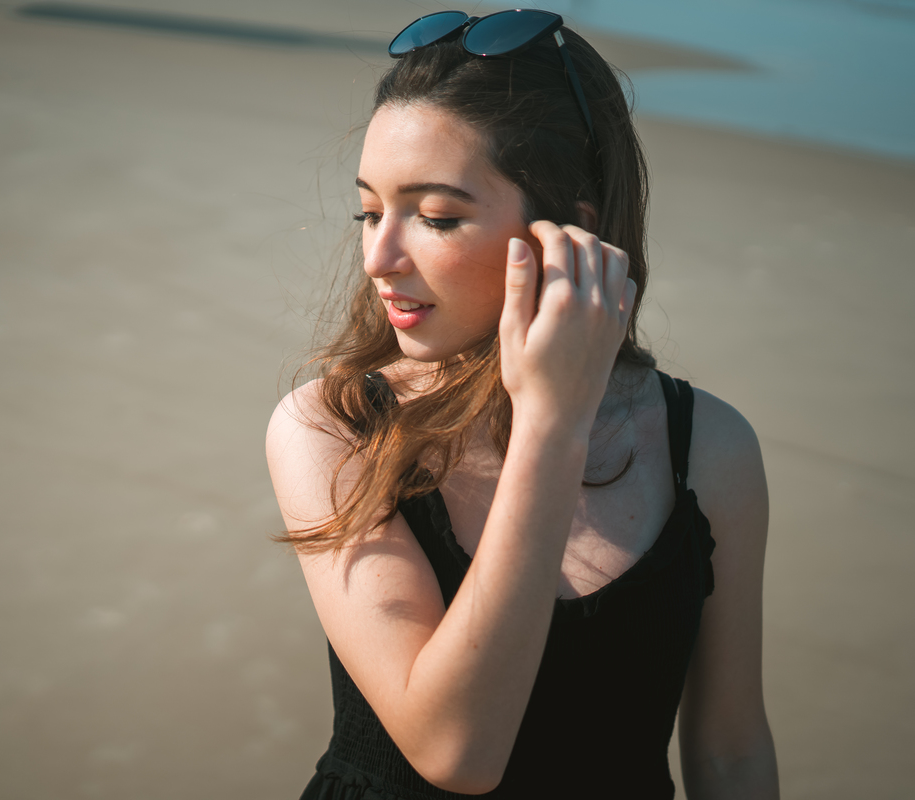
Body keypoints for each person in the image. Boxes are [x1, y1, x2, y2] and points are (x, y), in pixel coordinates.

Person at [266, 10, 779, 799]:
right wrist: (550, 427)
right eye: (369, 211)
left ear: (567, 235)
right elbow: (456, 751)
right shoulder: (334, 428)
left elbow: (731, 751)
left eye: (435, 217)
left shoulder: (709, 447)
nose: (379, 256)